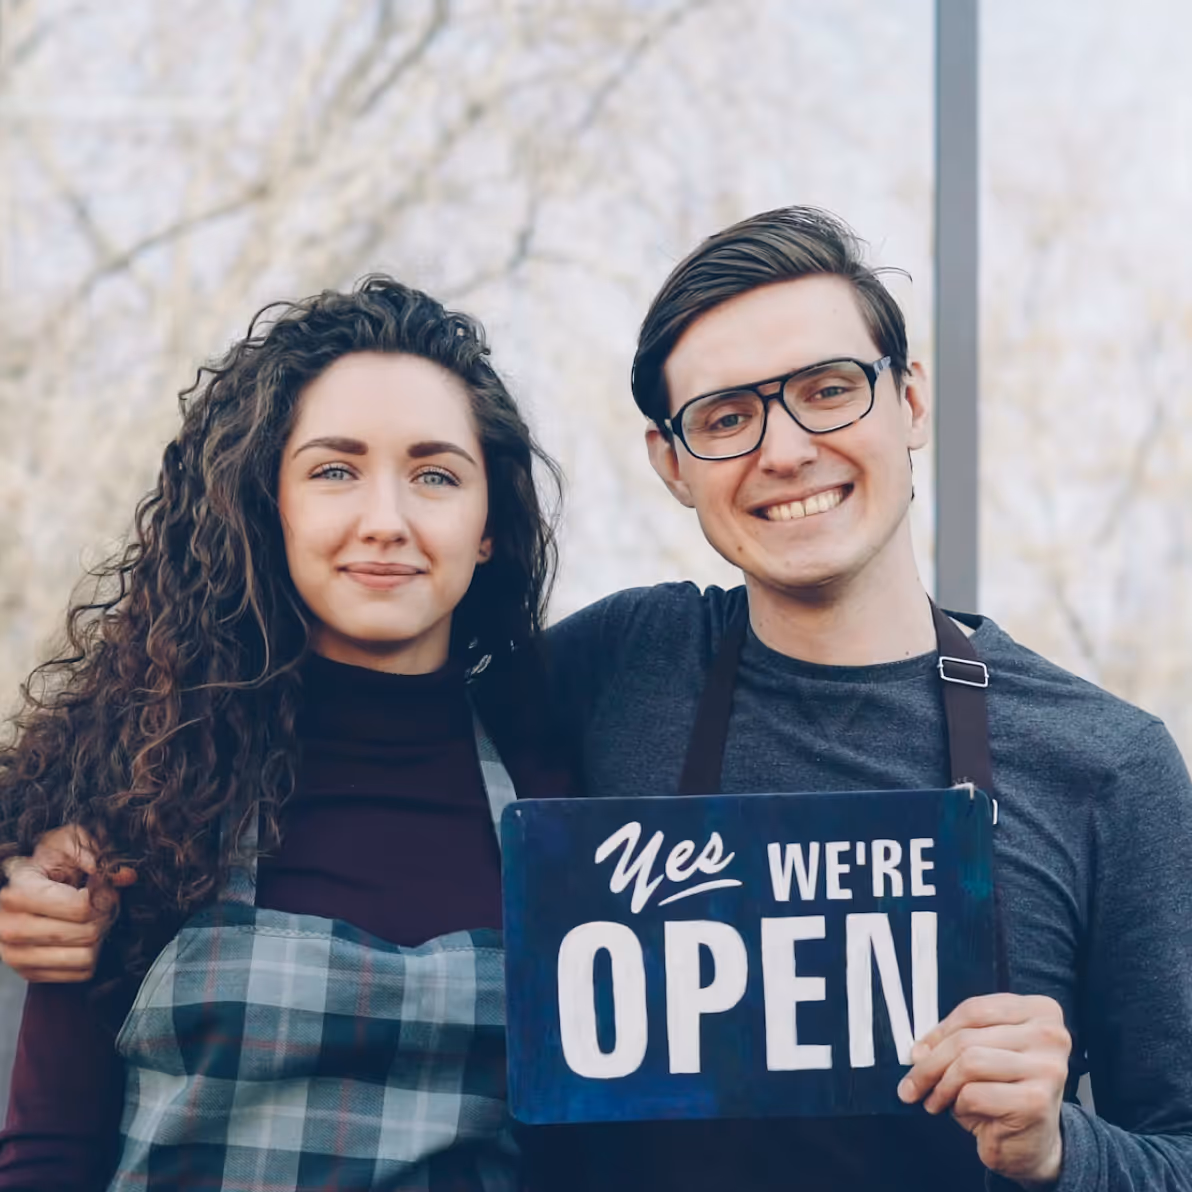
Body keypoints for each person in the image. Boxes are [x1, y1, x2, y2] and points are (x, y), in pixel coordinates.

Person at [5, 207, 1192, 1191]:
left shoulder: (1106, 763)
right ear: (670, 462)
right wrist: (34, 847)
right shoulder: (612, 670)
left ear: (909, 401)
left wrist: (1061, 1148)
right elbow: (326, 714)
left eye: (828, 388)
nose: (783, 449)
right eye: (725, 416)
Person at [0, 276, 574, 1189]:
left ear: (489, 527)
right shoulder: (149, 790)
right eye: (334, 470)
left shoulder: (560, 796)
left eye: (434, 475)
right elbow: (47, 1154)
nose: (385, 521)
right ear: (268, 506)